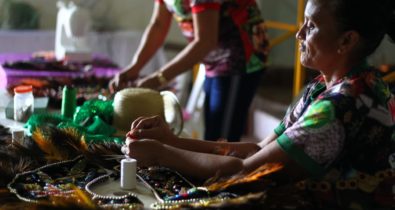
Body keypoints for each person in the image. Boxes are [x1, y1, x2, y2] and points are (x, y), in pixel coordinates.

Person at [122, 0, 395, 208]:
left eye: (311, 26)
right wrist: (170, 141)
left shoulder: (340, 105)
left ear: (347, 40)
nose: (299, 34)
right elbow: (256, 150)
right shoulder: (328, 85)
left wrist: (161, 154)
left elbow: (247, 172)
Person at [108, 0, 269, 142]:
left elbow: (205, 41)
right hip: (213, 59)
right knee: (213, 131)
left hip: (240, 58)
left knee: (222, 140)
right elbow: (158, 24)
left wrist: (158, 79)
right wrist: (134, 68)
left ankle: (224, 174)